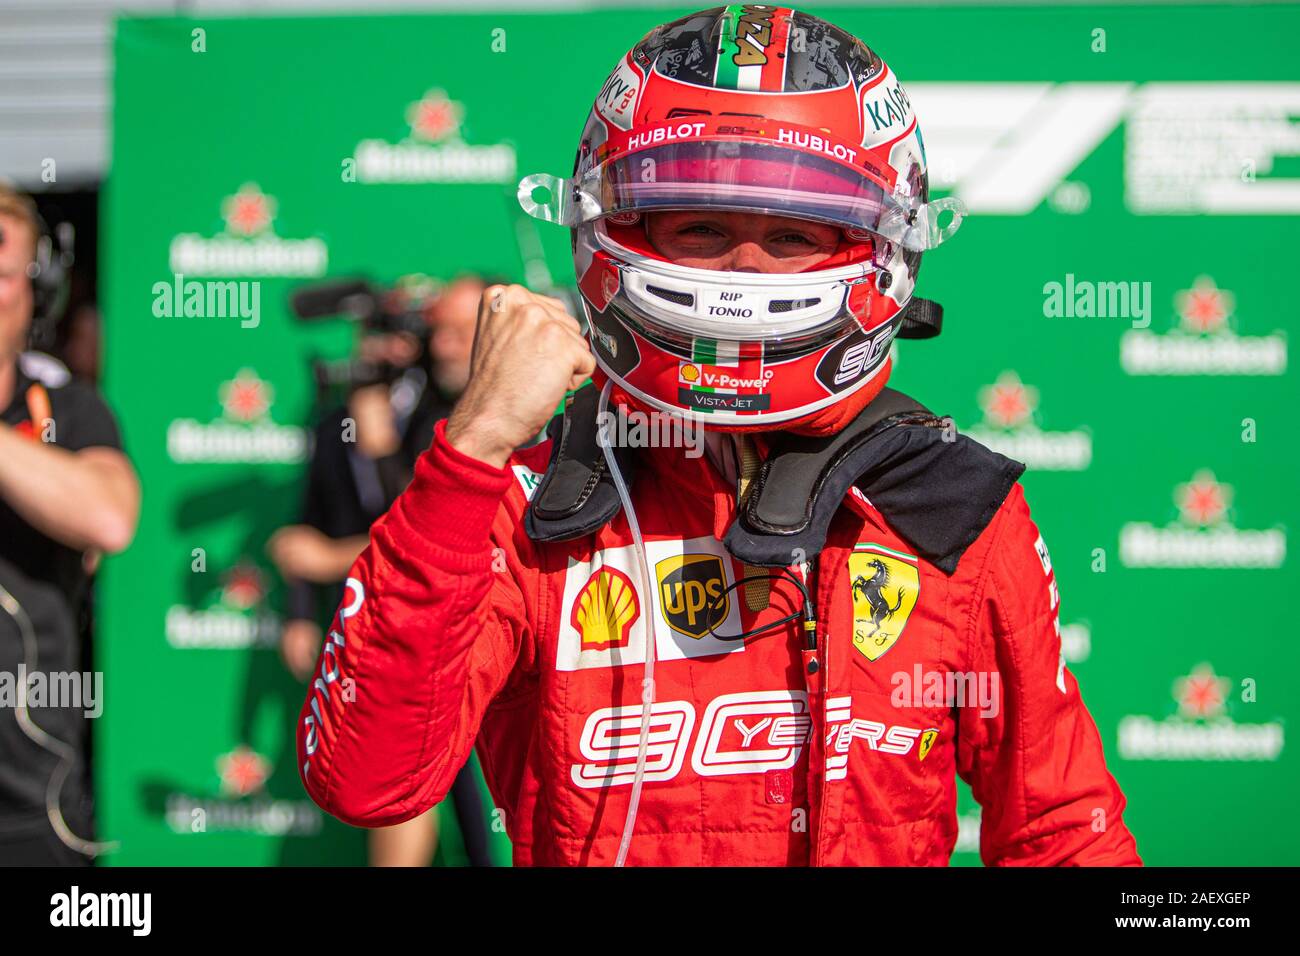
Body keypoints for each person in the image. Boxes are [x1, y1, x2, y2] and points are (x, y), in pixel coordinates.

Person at [297, 8, 1140, 866]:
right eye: (698, 226)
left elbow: (1062, 831)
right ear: (611, 225)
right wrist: (470, 448)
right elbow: (370, 779)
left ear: (884, 245)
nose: (744, 272)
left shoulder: (945, 504)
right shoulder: (534, 498)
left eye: (793, 235)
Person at [272, 274, 492, 866]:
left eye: (396, 339)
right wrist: (297, 611)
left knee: (468, 790)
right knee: (396, 776)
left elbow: (429, 519)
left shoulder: (452, 413)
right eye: (368, 340)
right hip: (367, 628)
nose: (380, 354)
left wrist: (379, 444)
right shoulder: (330, 421)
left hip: (446, 626)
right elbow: (305, 523)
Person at [0, 182, 140, 865]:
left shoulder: (69, 410)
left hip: (31, 803)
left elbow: (109, 519)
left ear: (42, 288)